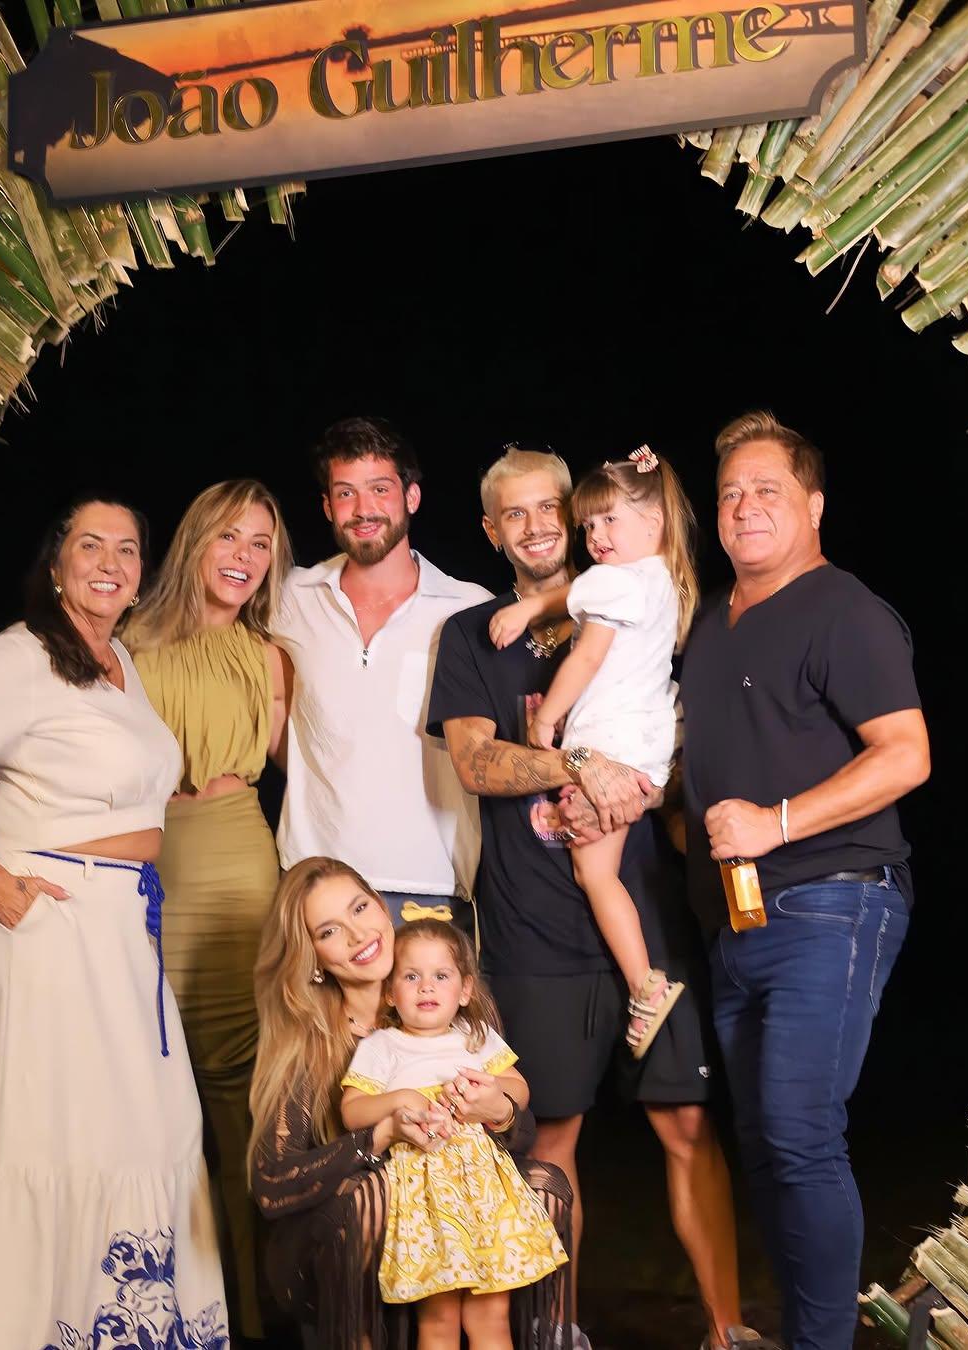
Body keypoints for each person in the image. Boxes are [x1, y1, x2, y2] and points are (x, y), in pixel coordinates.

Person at [430, 444, 775, 1350]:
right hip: (534, 928)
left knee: (689, 1123)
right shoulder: (474, 633)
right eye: (514, 513)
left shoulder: (643, 596)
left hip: (646, 911)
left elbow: (685, 755)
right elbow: (476, 763)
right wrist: (580, 763)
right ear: (490, 530)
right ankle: (558, 1333)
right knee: (549, 1141)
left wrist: (643, 788)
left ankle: (727, 1331)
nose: (539, 526)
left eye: (552, 507)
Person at [0, 498, 227, 1350]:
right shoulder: (18, 659)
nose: (110, 562)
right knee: (57, 1139)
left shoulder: (118, 662)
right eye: (91, 544)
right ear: (56, 565)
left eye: (128, 548)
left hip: (120, 931)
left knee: (145, 1132)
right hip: (45, 931)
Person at [679, 411, 930, 1350]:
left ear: (815, 505)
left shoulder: (842, 609)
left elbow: (906, 754)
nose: (744, 507)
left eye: (768, 490)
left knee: (799, 1135)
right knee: (765, 1148)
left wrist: (775, 822)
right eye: (730, 493)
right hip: (736, 921)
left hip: (833, 898)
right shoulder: (712, 624)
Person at [248, 856, 572, 1350]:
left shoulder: (442, 990)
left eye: (360, 908)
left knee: (543, 1183)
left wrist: (498, 1109)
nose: (358, 935)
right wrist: (380, 1134)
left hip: (454, 1189)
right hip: (341, 1227)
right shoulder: (309, 1045)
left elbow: (518, 1129)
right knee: (372, 1198)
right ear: (311, 956)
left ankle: (531, 1331)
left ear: (383, 906)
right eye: (330, 931)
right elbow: (272, 1184)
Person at [124, 478, 292, 1343]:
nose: (243, 556)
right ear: (195, 541)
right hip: (140, 867)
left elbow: (311, 766)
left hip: (235, 865)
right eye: (229, 536)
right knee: (143, 1092)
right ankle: (162, 1306)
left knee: (237, 1095)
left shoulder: (269, 656)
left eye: (260, 543)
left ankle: (255, 1318)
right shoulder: (124, 645)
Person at [491, 447, 699, 1057]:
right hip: (650, 745)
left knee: (593, 872)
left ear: (653, 521)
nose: (596, 537)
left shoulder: (612, 582)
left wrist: (546, 719)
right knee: (599, 862)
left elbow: (585, 656)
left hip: (610, 742)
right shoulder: (661, 579)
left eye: (610, 520)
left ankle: (645, 986)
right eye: (588, 525)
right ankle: (644, 982)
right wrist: (534, 605)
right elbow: (579, 594)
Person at [272, 417, 489, 929]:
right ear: (327, 507)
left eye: (380, 489)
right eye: (345, 493)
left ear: (412, 497)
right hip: (315, 883)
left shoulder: (468, 609)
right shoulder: (290, 598)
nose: (363, 509)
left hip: (432, 885)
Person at [341, 918, 568, 1347]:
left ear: (464, 991)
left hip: (484, 1190)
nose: (426, 987)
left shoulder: (475, 1038)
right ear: (390, 993)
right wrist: (399, 1099)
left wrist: (492, 1091)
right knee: (439, 1319)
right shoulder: (382, 1046)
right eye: (411, 976)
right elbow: (352, 1111)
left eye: (441, 976)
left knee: (491, 1316)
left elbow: (520, 1088)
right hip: (423, 1194)